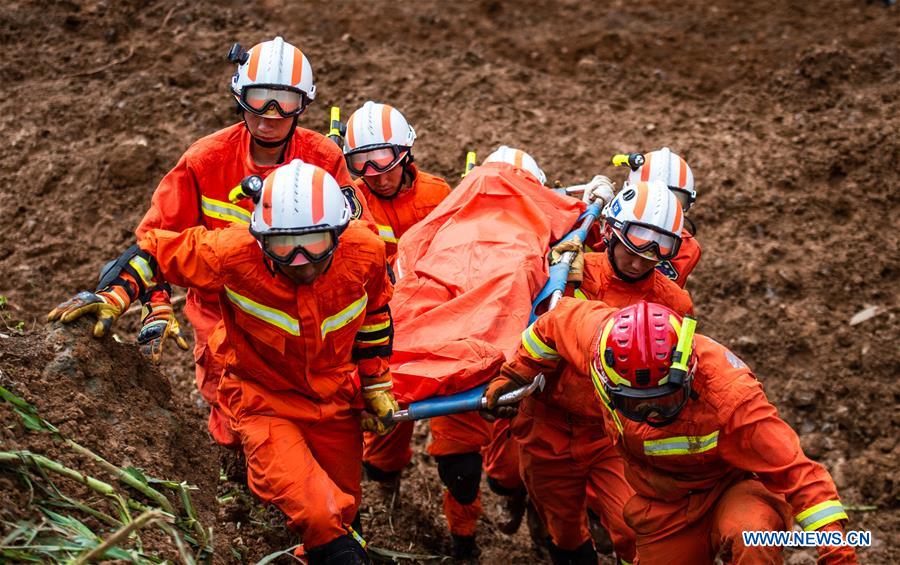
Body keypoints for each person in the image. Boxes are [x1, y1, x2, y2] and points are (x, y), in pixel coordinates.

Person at [50, 160, 396, 564]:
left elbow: (376, 316)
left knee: (344, 510)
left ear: (339, 233)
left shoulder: (365, 253)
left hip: (336, 400)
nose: (300, 260)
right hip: (263, 402)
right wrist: (113, 295)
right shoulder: (231, 252)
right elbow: (154, 253)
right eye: (284, 245)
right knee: (320, 513)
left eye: (314, 243)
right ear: (261, 236)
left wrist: (376, 385)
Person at [131, 36, 372, 446]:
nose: (269, 116)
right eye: (258, 100)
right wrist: (155, 304)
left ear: (304, 104)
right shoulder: (205, 160)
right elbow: (156, 239)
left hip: (301, 306)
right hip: (219, 313)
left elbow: (353, 238)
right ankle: (240, 490)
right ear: (239, 97)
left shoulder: (324, 159)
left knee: (317, 411)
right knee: (231, 413)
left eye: (284, 103)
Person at [487, 299, 858, 564]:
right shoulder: (599, 342)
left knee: (752, 536)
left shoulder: (730, 397)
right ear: (605, 378)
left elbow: (801, 477)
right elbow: (551, 324)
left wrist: (837, 554)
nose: (650, 413)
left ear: (687, 373)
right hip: (664, 503)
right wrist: (517, 373)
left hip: (730, 488)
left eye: (663, 401)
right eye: (635, 404)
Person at [483, 181, 691, 565]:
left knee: (633, 526)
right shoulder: (567, 274)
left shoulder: (673, 301)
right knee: (563, 531)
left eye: (659, 245)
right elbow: (533, 326)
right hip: (546, 427)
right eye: (636, 238)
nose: (642, 256)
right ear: (612, 230)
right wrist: (512, 379)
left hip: (611, 432)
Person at [343, 101, 451, 265]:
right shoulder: (354, 203)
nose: (381, 181)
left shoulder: (438, 194)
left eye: (389, 170)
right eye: (370, 175)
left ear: (405, 158)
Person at [624, 147, 701, 287]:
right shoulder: (603, 222)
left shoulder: (687, 249)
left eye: (675, 198)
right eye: (648, 194)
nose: (664, 206)